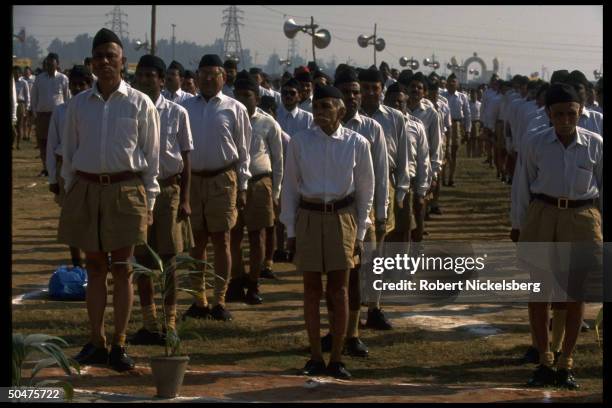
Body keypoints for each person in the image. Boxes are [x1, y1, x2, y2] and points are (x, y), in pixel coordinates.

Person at [58, 28, 160, 372]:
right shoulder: (77, 105)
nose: (104, 62)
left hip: (126, 190)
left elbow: (151, 158)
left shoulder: (139, 103)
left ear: (123, 62)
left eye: (110, 56)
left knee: (123, 269)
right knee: (95, 268)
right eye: (98, 56)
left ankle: (119, 342)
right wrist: (69, 191)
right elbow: (69, 154)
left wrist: (150, 203)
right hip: (86, 188)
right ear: (91, 63)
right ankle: (96, 340)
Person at [281, 84, 374, 380]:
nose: (320, 113)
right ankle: (315, 356)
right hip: (309, 215)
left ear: (341, 110)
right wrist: (291, 230)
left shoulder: (357, 143)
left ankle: (336, 357)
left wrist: (360, 233)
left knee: (340, 290)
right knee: (311, 291)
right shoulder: (299, 142)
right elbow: (290, 189)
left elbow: (365, 191)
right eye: (316, 107)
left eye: (326, 107)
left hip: (342, 218)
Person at [515, 83, 602, 389]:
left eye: (572, 113)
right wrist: (518, 223)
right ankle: (544, 359)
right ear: (548, 114)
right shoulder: (535, 142)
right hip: (543, 214)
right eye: (559, 114)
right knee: (540, 293)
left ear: (581, 112)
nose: (566, 120)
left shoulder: (595, 143)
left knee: (574, 294)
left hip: (581, 217)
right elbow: (521, 185)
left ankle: (566, 360)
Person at [320, 67, 388, 357]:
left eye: (357, 92)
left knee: (357, 274)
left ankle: (353, 334)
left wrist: (380, 214)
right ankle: (334, 329)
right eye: (347, 92)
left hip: (361, 212)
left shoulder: (372, 129)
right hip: (328, 213)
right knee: (333, 277)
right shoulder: (318, 129)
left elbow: (381, 175)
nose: (354, 97)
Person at [129, 54, 195, 345]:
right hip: (138, 191)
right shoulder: (128, 109)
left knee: (169, 259)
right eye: (140, 75)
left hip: (169, 191)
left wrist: (185, 198)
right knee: (142, 259)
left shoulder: (177, 113)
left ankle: (169, 322)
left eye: (150, 76)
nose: (145, 80)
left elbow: (186, 157)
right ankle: (149, 321)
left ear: (161, 79)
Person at [182, 54, 252, 322]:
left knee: (222, 240)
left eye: (215, 75)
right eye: (204, 75)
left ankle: (219, 300)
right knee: (196, 242)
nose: (209, 79)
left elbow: (243, 152)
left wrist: (243, 186)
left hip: (224, 180)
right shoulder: (185, 107)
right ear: (197, 77)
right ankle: (198, 300)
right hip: (193, 181)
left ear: (224, 78)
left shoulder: (235, 108)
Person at [359, 67, 412, 330]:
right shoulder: (346, 119)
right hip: (354, 188)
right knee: (356, 251)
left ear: (382, 90)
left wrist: (400, 191)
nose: (370, 93)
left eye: (375, 88)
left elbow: (403, 158)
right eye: (365, 88)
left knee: (377, 250)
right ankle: (354, 303)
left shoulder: (395, 118)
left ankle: (375, 306)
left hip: (385, 185)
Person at [227, 72, 283, 304]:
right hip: (232, 183)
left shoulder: (268, 123)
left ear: (257, 99)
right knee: (233, 235)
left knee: (257, 235)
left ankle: (253, 282)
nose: (242, 100)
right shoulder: (227, 118)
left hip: (260, 184)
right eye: (238, 95)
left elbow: (279, 159)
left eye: (247, 95)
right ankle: (237, 279)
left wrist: (277, 191)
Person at [46, 65, 93, 269]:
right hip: (67, 172)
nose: (77, 88)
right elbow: (51, 144)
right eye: (74, 84)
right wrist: (53, 178)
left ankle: (96, 260)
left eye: (82, 84)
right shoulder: (61, 110)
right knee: (72, 219)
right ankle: (77, 263)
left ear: (90, 85)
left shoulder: (97, 110)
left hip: (92, 172)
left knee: (95, 218)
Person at [384, 82, 431, 243]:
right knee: (385, 232)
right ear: (385, 102)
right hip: (384, 185)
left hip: (407, 187)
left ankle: (402, 266)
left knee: (404, 231)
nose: (396, 105)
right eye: (392, 101)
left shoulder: (416, 126)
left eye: (400, 102)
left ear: (407, 102)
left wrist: (421, 191)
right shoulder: (378, 125)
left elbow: (423, 160)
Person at [258, 95, 291, 279]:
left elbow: (281, 161)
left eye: (267, 112)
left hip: (277, 181)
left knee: (273, 224)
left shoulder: (282, 135)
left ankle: (269, 261)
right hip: (263, 181)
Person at [405, 72, 443, 225]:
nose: (415, 90)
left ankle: (418, 239)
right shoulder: (398, 110)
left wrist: (434, 173)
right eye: (412, 86)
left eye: (419, 88)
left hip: (423, 165)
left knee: (420, 205)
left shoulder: (431, 113)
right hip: (404, 164)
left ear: (424, 92)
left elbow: (436, 144)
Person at [31, 52, 71, 177]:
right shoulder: (39, 78)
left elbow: (67, 97)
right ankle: (45, 168)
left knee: (58, 142)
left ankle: (58, 167)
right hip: (42, 115)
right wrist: (34, 113)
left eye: (51, 64)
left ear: (57, 65)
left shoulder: (63, 78)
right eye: (47, 64)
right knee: (43, 142)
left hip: (58, 115)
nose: (48, 66)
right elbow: (34, 97)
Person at [440, 73, 471, 187]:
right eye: (450, 82)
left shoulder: (462, 97)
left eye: (454, 82)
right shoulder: (442, 96)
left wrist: (468, 130)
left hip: (456, 125)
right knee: (443, 152)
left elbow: (467, 114)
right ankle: (442, 178)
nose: (452, 84)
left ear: (457, 84)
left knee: (453, 153)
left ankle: (451, 178)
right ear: (446, 84)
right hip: (444, 126)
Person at [13, 66, 30, 150]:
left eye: (17, 73)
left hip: (20, 105)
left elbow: (27, 96)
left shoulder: (24, 83)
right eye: (14, 73)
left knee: (19, 125)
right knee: (13, 125)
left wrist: (27, 107)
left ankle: (18, 144)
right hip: (12, 104)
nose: (15, 75)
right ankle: (13, 140)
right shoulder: (11, 82)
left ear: (20, 74)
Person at [468, 88, 482, 157]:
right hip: (469, 122)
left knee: (475, 138)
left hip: (477, 123)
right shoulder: (468, 104)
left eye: (475, 94)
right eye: (472, 94)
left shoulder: (479, 104)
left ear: (477, 95)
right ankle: (469, 153)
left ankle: (474, 152)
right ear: (470, 95)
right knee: (469, 139)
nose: (473, 96)